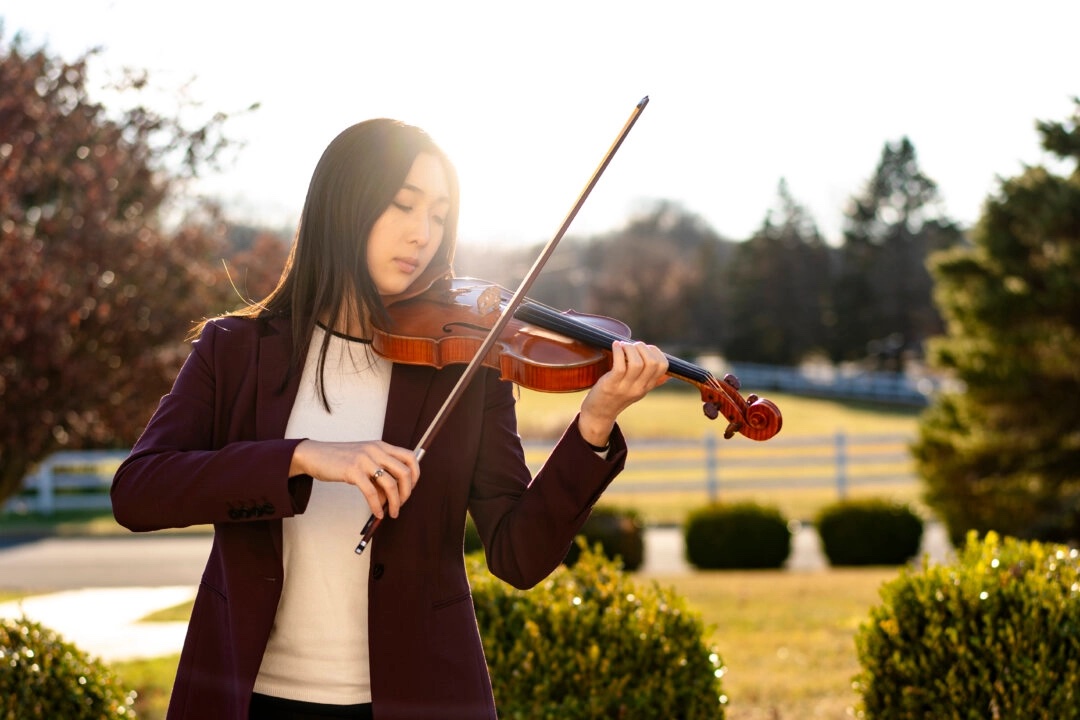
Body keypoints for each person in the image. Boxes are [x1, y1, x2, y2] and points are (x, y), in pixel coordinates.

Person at [111, 118, 669, 720]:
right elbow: (140, 493)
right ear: (343, 207)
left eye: (438, 214)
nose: (422, 234)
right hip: (251, 698)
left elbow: (519, 556)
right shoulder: (235, 349)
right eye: (403, 205)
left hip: (420, 699)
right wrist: (302, 456)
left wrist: (593, 425)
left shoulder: (466, 362)